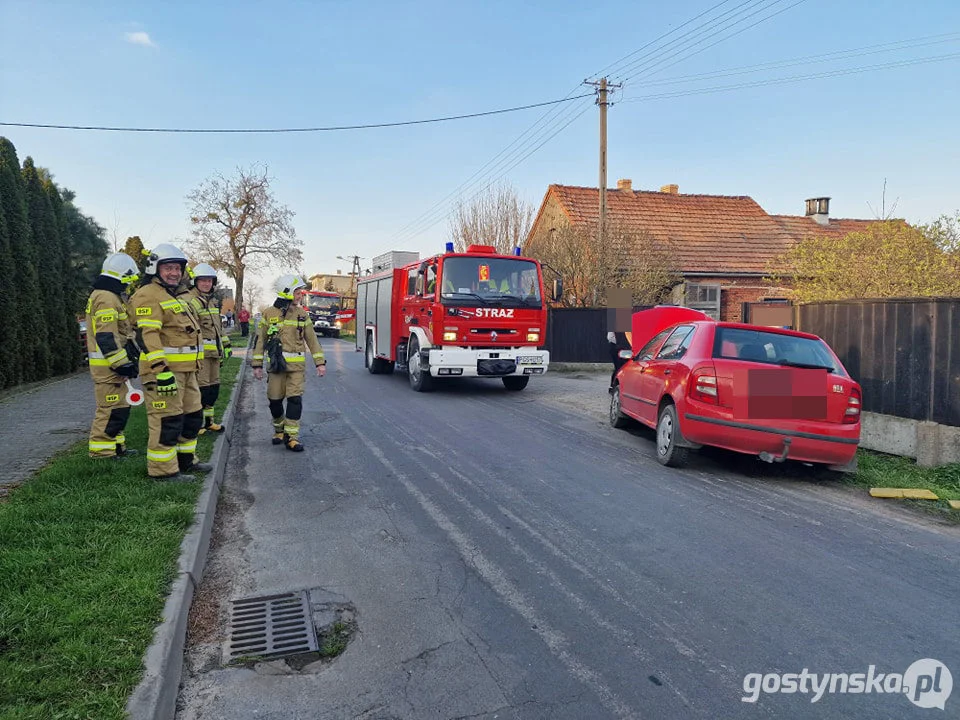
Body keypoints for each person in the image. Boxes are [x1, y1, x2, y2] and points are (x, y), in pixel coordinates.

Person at [129, 243, 211, 481]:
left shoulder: (171, 295)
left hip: (187, 372)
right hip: (165, 374)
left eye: (177, 268)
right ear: (156, 268)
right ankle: (162, 472)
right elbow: (148, 334)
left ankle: (186, 461)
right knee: (167, 421)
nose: (174, 273)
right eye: (168, 268)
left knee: (193, 416)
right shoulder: (147, 295)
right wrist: (160, 369)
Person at [251, 274, 326, 452]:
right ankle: (279, 429)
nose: (300, 295)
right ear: (286, 292)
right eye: (297, 292)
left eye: (300, 292)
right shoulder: (269, 314)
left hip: (296, 369)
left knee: (295, 400)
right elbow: (260, 340)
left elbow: (312, 340)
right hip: (277, 368)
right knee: (274, 401)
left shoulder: (302, 315)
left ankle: (291, 437)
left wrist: (320, 362)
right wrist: (256, 365)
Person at [86, 252, 142, 459]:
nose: (128, 285)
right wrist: (120, 364)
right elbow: (107, 336)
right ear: (121, 275)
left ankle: (117, 447)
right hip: (108, 366)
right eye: (128, 280)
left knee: (119, 408)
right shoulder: (106, 298)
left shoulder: (108, 296)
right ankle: (102, 454)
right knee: (109, 409)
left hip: (111, 365)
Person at [187, 263, 232, 434]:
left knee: (213, 389)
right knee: (201, 389)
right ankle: (197, 424)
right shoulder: (192, 301)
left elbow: (218, 327)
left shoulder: (211, 302)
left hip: (214, 354)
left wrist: (226, 344)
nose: (206, 284)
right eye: (203, 281)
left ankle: (209, 422)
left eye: (209, 281)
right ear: (195, 282)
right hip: (201, 355)